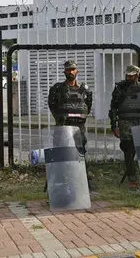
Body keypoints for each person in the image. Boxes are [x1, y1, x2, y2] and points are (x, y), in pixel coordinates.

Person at [48, 60, 93, 189]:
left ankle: (83, 182)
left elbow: (87, 107)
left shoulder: (85, 90)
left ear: (77, 71)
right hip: (63, 127)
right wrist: (61, 118)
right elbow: (52, 106)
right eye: (68, 70)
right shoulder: (57, 89)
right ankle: (61, 182)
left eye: (73, 69)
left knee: (80, 153)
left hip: (79, 128)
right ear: (64, 72)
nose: (71, 72)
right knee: (62, 153)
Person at [109, 65, 140, 191]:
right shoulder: (120, 88)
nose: (129, 77)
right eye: (127, 75)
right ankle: (132, 180)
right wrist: (114, 125)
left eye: (131, 75)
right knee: (128, 149)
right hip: (126, 123)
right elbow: (113, 108)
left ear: (137, 75)